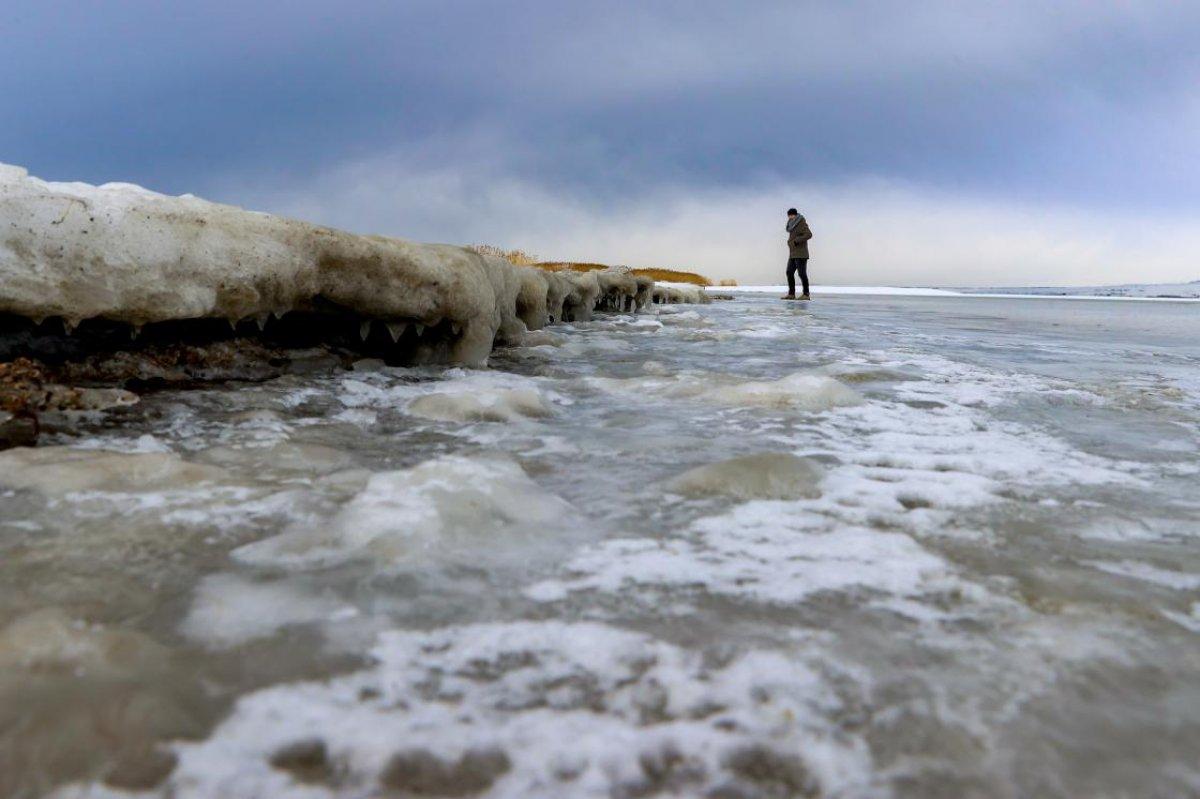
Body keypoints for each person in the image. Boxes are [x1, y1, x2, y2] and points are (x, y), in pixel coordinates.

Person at [782, 208, 812, 300]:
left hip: (801, 253)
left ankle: (806, 294)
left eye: (791, 215)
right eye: (789, 216)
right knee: (789, 272)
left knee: (802, 274)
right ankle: (791, 294)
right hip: (793, 253)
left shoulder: (801, 222)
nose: (790, 217)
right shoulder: (791, 225)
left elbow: (809, 234)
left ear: (795, 215)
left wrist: (796, 241)